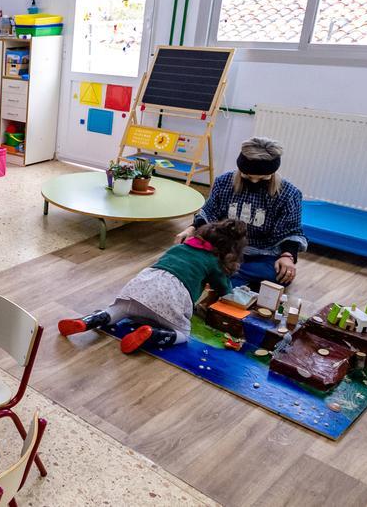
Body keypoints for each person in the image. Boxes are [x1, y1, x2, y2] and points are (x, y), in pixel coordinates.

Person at [59, 220, 248, 353]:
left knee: (118, 310)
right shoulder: (213, 261)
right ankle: (152, 335)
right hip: (169, 298)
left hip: (141, 287)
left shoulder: (179, 247)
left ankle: (88, 321)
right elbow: (225, 290)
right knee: (184, 333)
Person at [175, 137, 306, 289]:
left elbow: (291, 230)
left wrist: (287, 256)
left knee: (279, 273)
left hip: (263, 255)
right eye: (247, 176)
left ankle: (219, 277)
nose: (255, 182)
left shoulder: (289, 193)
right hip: (224, 249)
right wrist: (191, 229)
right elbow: (209, 212)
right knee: (182, 254)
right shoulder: (223, 182)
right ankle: (227, 279)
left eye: (263, 178)